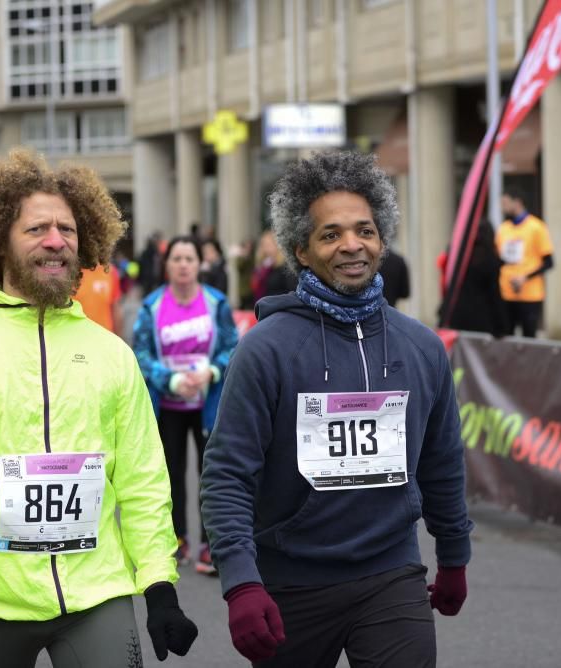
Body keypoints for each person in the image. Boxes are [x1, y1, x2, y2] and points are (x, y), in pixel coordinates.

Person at [0, 149, 197, 667]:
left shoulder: (113, 353)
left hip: (96, 594)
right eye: (37, 229)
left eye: (67, 230)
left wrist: (159, 585)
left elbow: (142, 479)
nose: (55, 241)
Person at [201, 151, 473, 667]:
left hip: (391, 573)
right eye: (330, 235)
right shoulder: (266, 348)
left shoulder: (421, 347)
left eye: (364, 230)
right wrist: (240, 582)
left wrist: (454, 555)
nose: (352, 245)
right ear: (301, 251)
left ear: (382, 238)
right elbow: (227, 473)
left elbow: (443, 460)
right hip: (291, 583)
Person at [133, 234, 237, 576]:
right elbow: (142, 354)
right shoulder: (151, 306)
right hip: (167, 406)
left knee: (212, 475)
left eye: (189, 259)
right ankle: (177, 539)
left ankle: (211, 545)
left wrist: (212, 370)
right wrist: (170, 380)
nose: (182, 265)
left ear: (198, 264)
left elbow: (232, 346)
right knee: (170, 476)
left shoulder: (216, 302)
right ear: (167, 265)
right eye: (176, 258)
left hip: (208, 404)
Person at [494, 188, 554, 337]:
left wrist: (525, 277)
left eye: (506, 203)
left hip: (529, 295)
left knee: (529, 339)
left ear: (517, 202)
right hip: (506, 294)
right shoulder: (503, 229)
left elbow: (549, 262)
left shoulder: (536, 227)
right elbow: (499, 259)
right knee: (506, 336)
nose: (503, 207)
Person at [447, 222, 506, 337]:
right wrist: (502, 325)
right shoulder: (490, 259)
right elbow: (494, 294)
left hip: (460, 316)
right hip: (483, 319)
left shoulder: (461, 256)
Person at [250, 230, 296, 307]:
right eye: (264, 245)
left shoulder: (284, 266)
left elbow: (291, 289)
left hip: (280, 307)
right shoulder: (263, 266)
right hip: (263, 305)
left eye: (269, 245)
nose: (266, 249)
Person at [74, 263, 123, 336]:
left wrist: (119, 341)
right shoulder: (69, 271)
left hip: (104, 338)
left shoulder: (110, 271)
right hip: (77, 337)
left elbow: (116, 310)